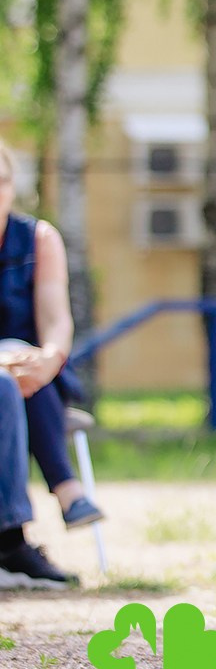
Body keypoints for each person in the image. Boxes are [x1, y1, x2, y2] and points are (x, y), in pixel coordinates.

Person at [0, 143, 81, 587]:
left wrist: (50, 358)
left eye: (2, 180)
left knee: (21, 375)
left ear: (13, 186)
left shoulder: (38, 238)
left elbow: (55, 318)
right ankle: (18, 535)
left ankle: (12, 541)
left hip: (35, 376)